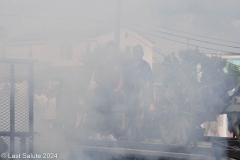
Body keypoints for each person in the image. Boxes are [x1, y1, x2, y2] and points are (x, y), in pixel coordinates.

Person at [86, 41, 124, 141]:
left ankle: (109, 133)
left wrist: (118, 88)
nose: (112, 51)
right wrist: (103, 85)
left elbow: (121, 77)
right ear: (107, 50)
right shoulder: (101, 61)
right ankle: (97, 132)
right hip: (102, 89)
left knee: (111, 110)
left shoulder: (117, 63)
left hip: (114, 91)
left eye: (113, 49)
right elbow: (95, 76)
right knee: (99, 108)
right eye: (110, 49)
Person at [123, 44, 154, 141]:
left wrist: (150, 93)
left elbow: (150, 80)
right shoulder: (128, 64)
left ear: (142, 54)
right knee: (129, 112)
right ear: (133, 53)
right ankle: (128, 133)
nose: (138, 54)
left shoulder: (145, 65)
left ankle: (139, 134)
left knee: (141, 113)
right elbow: (123, 78)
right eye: (136, 52)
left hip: (141, 93)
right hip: (128, 92)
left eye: (140, 52)